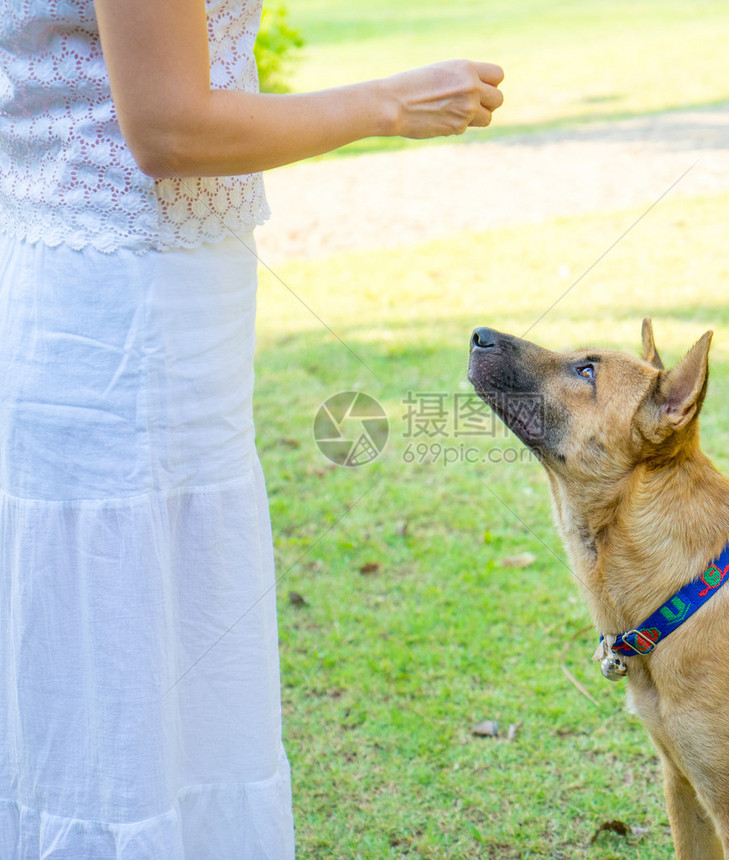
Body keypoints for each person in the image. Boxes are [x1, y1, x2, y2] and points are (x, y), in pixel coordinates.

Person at [0, 0, 504, 857]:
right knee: (119, 663)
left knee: (173, 654)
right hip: (123, 308)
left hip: (154, 286)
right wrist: (391, 103)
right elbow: (168, 127)